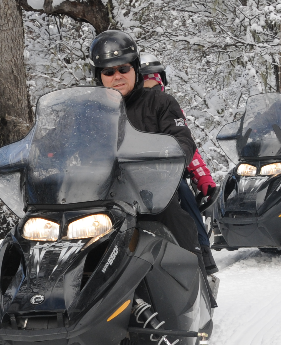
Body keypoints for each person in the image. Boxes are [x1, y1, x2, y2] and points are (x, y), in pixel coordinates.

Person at [90, 31, 210, 273]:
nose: (117, 76)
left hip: (152, 192)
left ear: (135, 69)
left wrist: (171, 158)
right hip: (101, 194)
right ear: (99, 76)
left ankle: (196, 272)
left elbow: (182, 138)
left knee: (175, 217)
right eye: (109, 71)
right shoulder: (90, 112)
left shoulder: (160, 103)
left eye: (123, 69)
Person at [138, 53, 220, 273]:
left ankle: (202, 256)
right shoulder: (119, 108)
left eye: (154, 82)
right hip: (129, 177)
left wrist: (203, 178)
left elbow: (186, 145)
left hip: (166, 175)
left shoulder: (167, 107)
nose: (150, 88)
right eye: (145, 81)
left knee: (184, 198)